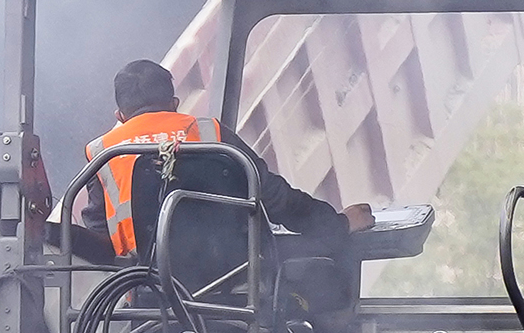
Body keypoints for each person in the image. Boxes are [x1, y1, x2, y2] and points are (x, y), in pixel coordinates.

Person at [82, 57, 365, 257]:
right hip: (231, 283)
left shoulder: (102, 151)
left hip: (148, 293)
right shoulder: (210, 133)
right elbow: (275, 198)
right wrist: (338, 225)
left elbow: (98, 230)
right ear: (175, 105)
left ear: (120, 116)